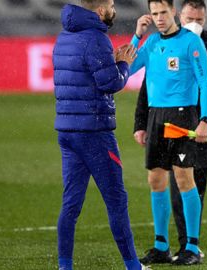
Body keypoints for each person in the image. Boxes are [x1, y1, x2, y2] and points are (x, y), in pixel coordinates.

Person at [133, 0, 207, 259]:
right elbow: (128, 67)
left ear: (173, 12)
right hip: (157, 117)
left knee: (184, 179)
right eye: (154, 13)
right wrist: (136, 37)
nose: (158, 18)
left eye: (163, 13)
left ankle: (191, 246)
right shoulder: (152, 43)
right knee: (155, 180)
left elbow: (206, 84)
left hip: (184, 116)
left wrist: (204, 120)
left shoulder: (191, 42)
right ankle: (161, 246)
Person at [52, 1, 145, 269]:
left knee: (71, 204)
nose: (114, 8)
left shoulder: (65, 36)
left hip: (68, 131)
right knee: (116, 200)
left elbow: (82, 74)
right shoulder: (96, 38)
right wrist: (124, 65)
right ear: (100, 10)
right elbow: (111, 83)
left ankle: (64, 266)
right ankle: (133, 266)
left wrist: (111, 61)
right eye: (111, 4)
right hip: (94, 132)